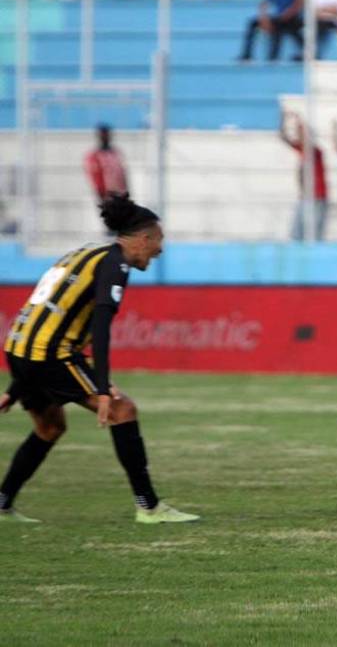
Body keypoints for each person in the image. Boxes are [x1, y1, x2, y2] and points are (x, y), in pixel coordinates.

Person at [0, 194, 199, 525]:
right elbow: (102, 326)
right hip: (50, 352)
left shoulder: (86, 253)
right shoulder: (115, 264)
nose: (160, 249)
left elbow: (41, 313)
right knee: (123, 410)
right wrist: (103, 389)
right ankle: (148, 507)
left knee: (49, 427)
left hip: (20, 348)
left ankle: (2, 502)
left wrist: (18, 384)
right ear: (143, 238)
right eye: (159, 241)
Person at [238, 0, 305, 62]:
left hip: (293, 18)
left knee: (281, 26)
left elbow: (299, 3)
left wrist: (287, 14)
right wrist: (264, 19)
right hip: (280, 17)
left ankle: (273, 56)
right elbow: (264, 4)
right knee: (253, 23)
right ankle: (246, 55)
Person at [278, 109, 328, 241]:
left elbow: (306, 138)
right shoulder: (302, 151)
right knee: (296, 233)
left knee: (315, 234)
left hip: (318, 196)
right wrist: (283, 119)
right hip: (305, 196)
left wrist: (299, 120)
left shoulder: (316, 152)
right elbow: (283, 138)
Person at [83, 124, 128, 206]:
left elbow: (123, 173)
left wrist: (126, 193)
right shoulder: (94, 156)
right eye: (103, 135)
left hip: (120, 196)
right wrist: (102, 197)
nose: (105, 137)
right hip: (107, 196)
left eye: (107, 134)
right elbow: (96, 178)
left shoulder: (116, 153)